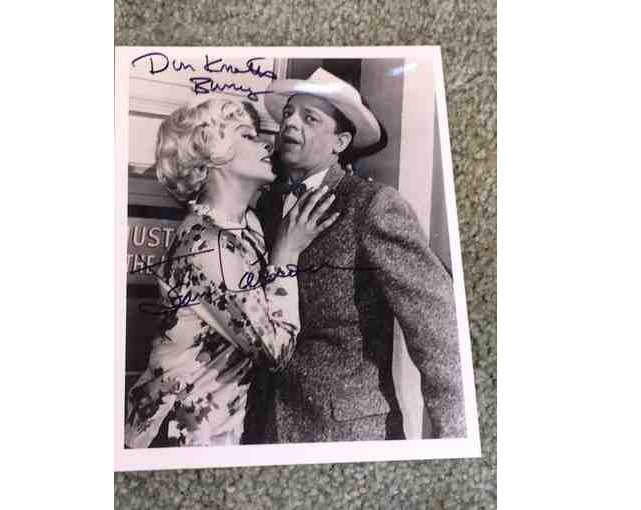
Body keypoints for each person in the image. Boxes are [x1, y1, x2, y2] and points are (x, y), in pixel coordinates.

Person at [251, 68, 466, 442]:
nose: (290, 124)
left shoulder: (370, 206)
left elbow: (439, 330)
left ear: (340, 142)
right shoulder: (265, 206)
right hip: (265, 431)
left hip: (347, 436)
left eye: (310, 118)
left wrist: (455, 440)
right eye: (288, 113)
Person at [124, 98, 338, 448]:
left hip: (219, 427)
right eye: (248, 136)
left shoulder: (247, 222)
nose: (266, 144)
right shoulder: (206, 246)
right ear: (212, 153)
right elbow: (274, 352)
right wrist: (286, 255)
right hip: (178, 436)